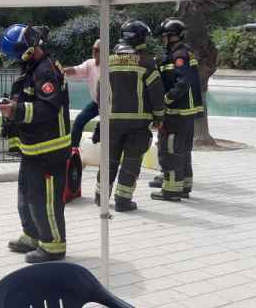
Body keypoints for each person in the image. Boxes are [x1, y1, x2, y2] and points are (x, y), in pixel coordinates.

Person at [0, 23, 71, 264]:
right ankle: (32, 236)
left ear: (27, 49)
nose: (15, 59)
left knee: (45, 201)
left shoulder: (46, 70)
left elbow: (49, 108)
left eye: (16, 54)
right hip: (34, 149)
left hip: (49, 150)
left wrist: (16, 110)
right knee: (27, 196)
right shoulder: (32, 67)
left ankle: (53, 247)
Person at [92, 20, 165, 212]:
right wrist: (159, 117)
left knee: (109, 160)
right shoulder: (147, 63)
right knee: (131, 162)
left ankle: (101, 197)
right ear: (140, 38)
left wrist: (104, 114)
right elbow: (156, 94)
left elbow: (100, 92)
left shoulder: (109, 61)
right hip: (138, 123)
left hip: (112, 121)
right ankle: (123, 201)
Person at [150, 18, 203, 201]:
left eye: (165, 36)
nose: (163, 40)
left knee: (170, 149)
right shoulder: (182, 52)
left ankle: (172, 190)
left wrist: (164, 100)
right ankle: (184, 185)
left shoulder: (179, 55)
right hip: (185, 114)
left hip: (177, 112)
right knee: (182, 150)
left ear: (173, 36)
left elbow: (182, 83)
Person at [64, 39, 100, 150]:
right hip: (96, 103)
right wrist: (61, 71)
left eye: (97, 49)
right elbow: (76, 70)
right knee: (79, 121)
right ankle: (73, 150)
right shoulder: (90, 64)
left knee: (102, 131)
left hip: (110, 105)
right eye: (93, 49)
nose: (94, 51)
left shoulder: (111, 65)